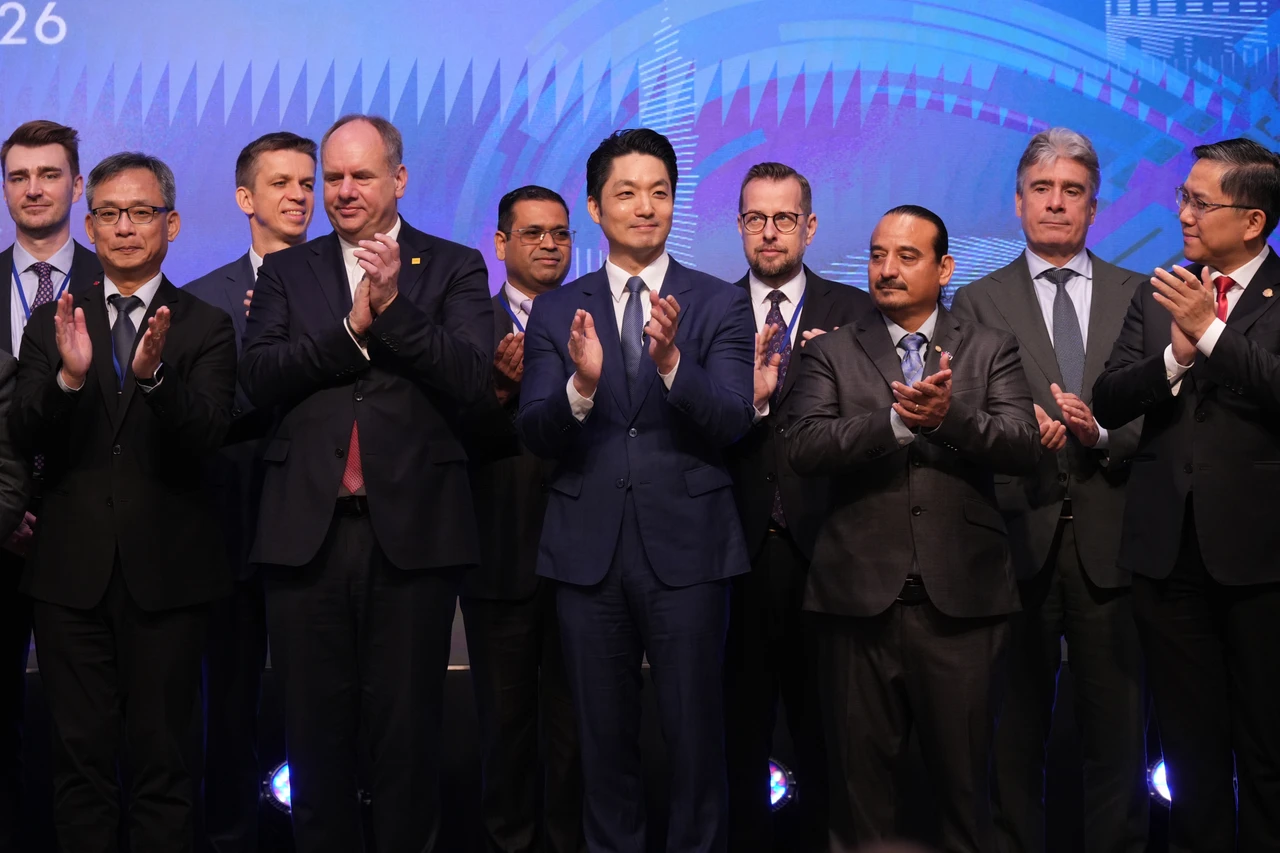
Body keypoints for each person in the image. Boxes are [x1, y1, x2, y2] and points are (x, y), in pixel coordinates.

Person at [239, 114, 493, 852]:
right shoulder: (288, 271)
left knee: (407, 743)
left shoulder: (453, 266)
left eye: (361, 176)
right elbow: (259, 376)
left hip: (413, 534)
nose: (343, 191)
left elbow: (471, 376)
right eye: (334, 177)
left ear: (399, 179)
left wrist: (391, 310)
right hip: (305, 537)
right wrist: (350, 334)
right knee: (314, 744)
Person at [516, 128, 755, 853]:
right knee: (601, 741)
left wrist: (674, 363)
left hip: (689, 551)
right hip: (586, 553)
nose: (645, 207)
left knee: (696, 739)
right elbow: (535, 430)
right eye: (627, 193)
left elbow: (734, 420)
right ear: (595, 207)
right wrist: (581, 387)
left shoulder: (719, 302)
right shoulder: (557, 309)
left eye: (660, 192)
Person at [787, 205, 1040, 853]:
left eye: (906, 256)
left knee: (965, 799)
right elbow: (805, 446)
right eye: (877, 255)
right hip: (856, 607)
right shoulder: (831, 350)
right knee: (860, 803)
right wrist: (898, 424)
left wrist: (946, 419)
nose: (887, 269)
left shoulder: (990, 346)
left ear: (944, 267)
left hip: (964, 605)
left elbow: (1021, 444)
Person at [12, 151, 237, 852]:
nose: (124, 227)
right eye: (109, 213)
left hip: (168, 579)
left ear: (172, 222)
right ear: (89, 226)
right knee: (79, 765)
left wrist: (155, 378)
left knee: (164, 765)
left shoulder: (206, 324)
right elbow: (22, 430)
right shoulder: (55, 320)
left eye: (141, 212)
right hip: (69, 579)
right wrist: (70, 380)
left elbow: (209, 435)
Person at [950, 127, 1149, 853]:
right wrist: (1010, 428)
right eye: (1042, 189)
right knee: (1011, 738)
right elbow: (959, 415)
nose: (1056, 203)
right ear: (1018, 202)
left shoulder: (1141, 294)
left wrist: (1100, 434)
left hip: (1115, 545)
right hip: (1013, 541)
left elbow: (1160, 414)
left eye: (1072, 191)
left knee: (1119, 741)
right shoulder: (976, 301)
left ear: (1094, 206)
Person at [1093, 137, 1280, 852]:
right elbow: (1110, 398)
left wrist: (1210, 332)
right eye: (1184, 197)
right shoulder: (1161, 289)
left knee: (1267, 754)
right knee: (1188, 757)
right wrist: (1174, 354)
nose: (1184, 214)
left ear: (1254, 220)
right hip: (1168, 557)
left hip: (1264, 561)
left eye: (1201, 202)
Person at [723, 161, 871, 853]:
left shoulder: (856, 312)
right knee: (738, 732)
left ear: (810, 226)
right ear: (739, 225)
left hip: (832, 549)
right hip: (736, 552)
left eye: (784, 218)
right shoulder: (708, 310)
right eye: (756, 218)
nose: (770, 231)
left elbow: (874, 421)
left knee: (831, 735)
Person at [184, 130, 316, 853]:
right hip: (232, 529)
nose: (299, 196)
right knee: (227, 707)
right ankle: (229, 834)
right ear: (245, 198)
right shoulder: (202, 300)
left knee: (323, 706)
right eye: (281, 183)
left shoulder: (352, 286)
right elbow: (203, 416)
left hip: (325, 529)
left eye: (307, 183)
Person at [460, 184, 585, 853]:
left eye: (560, 233)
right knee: (504, 727)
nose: (549, 244)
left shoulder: (595, 316)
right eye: (533, 233)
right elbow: (439, 438)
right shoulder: (466, 324)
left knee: (579, 727)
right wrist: (498, 391)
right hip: (499, 551)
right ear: (501, 243)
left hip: (585, 555)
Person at [0, 119, 99, 847]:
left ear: (78, 184)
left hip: (89, 537)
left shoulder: (122, 278)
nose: (33, 189)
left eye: (49, 174)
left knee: (89, 731)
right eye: (18, 176)